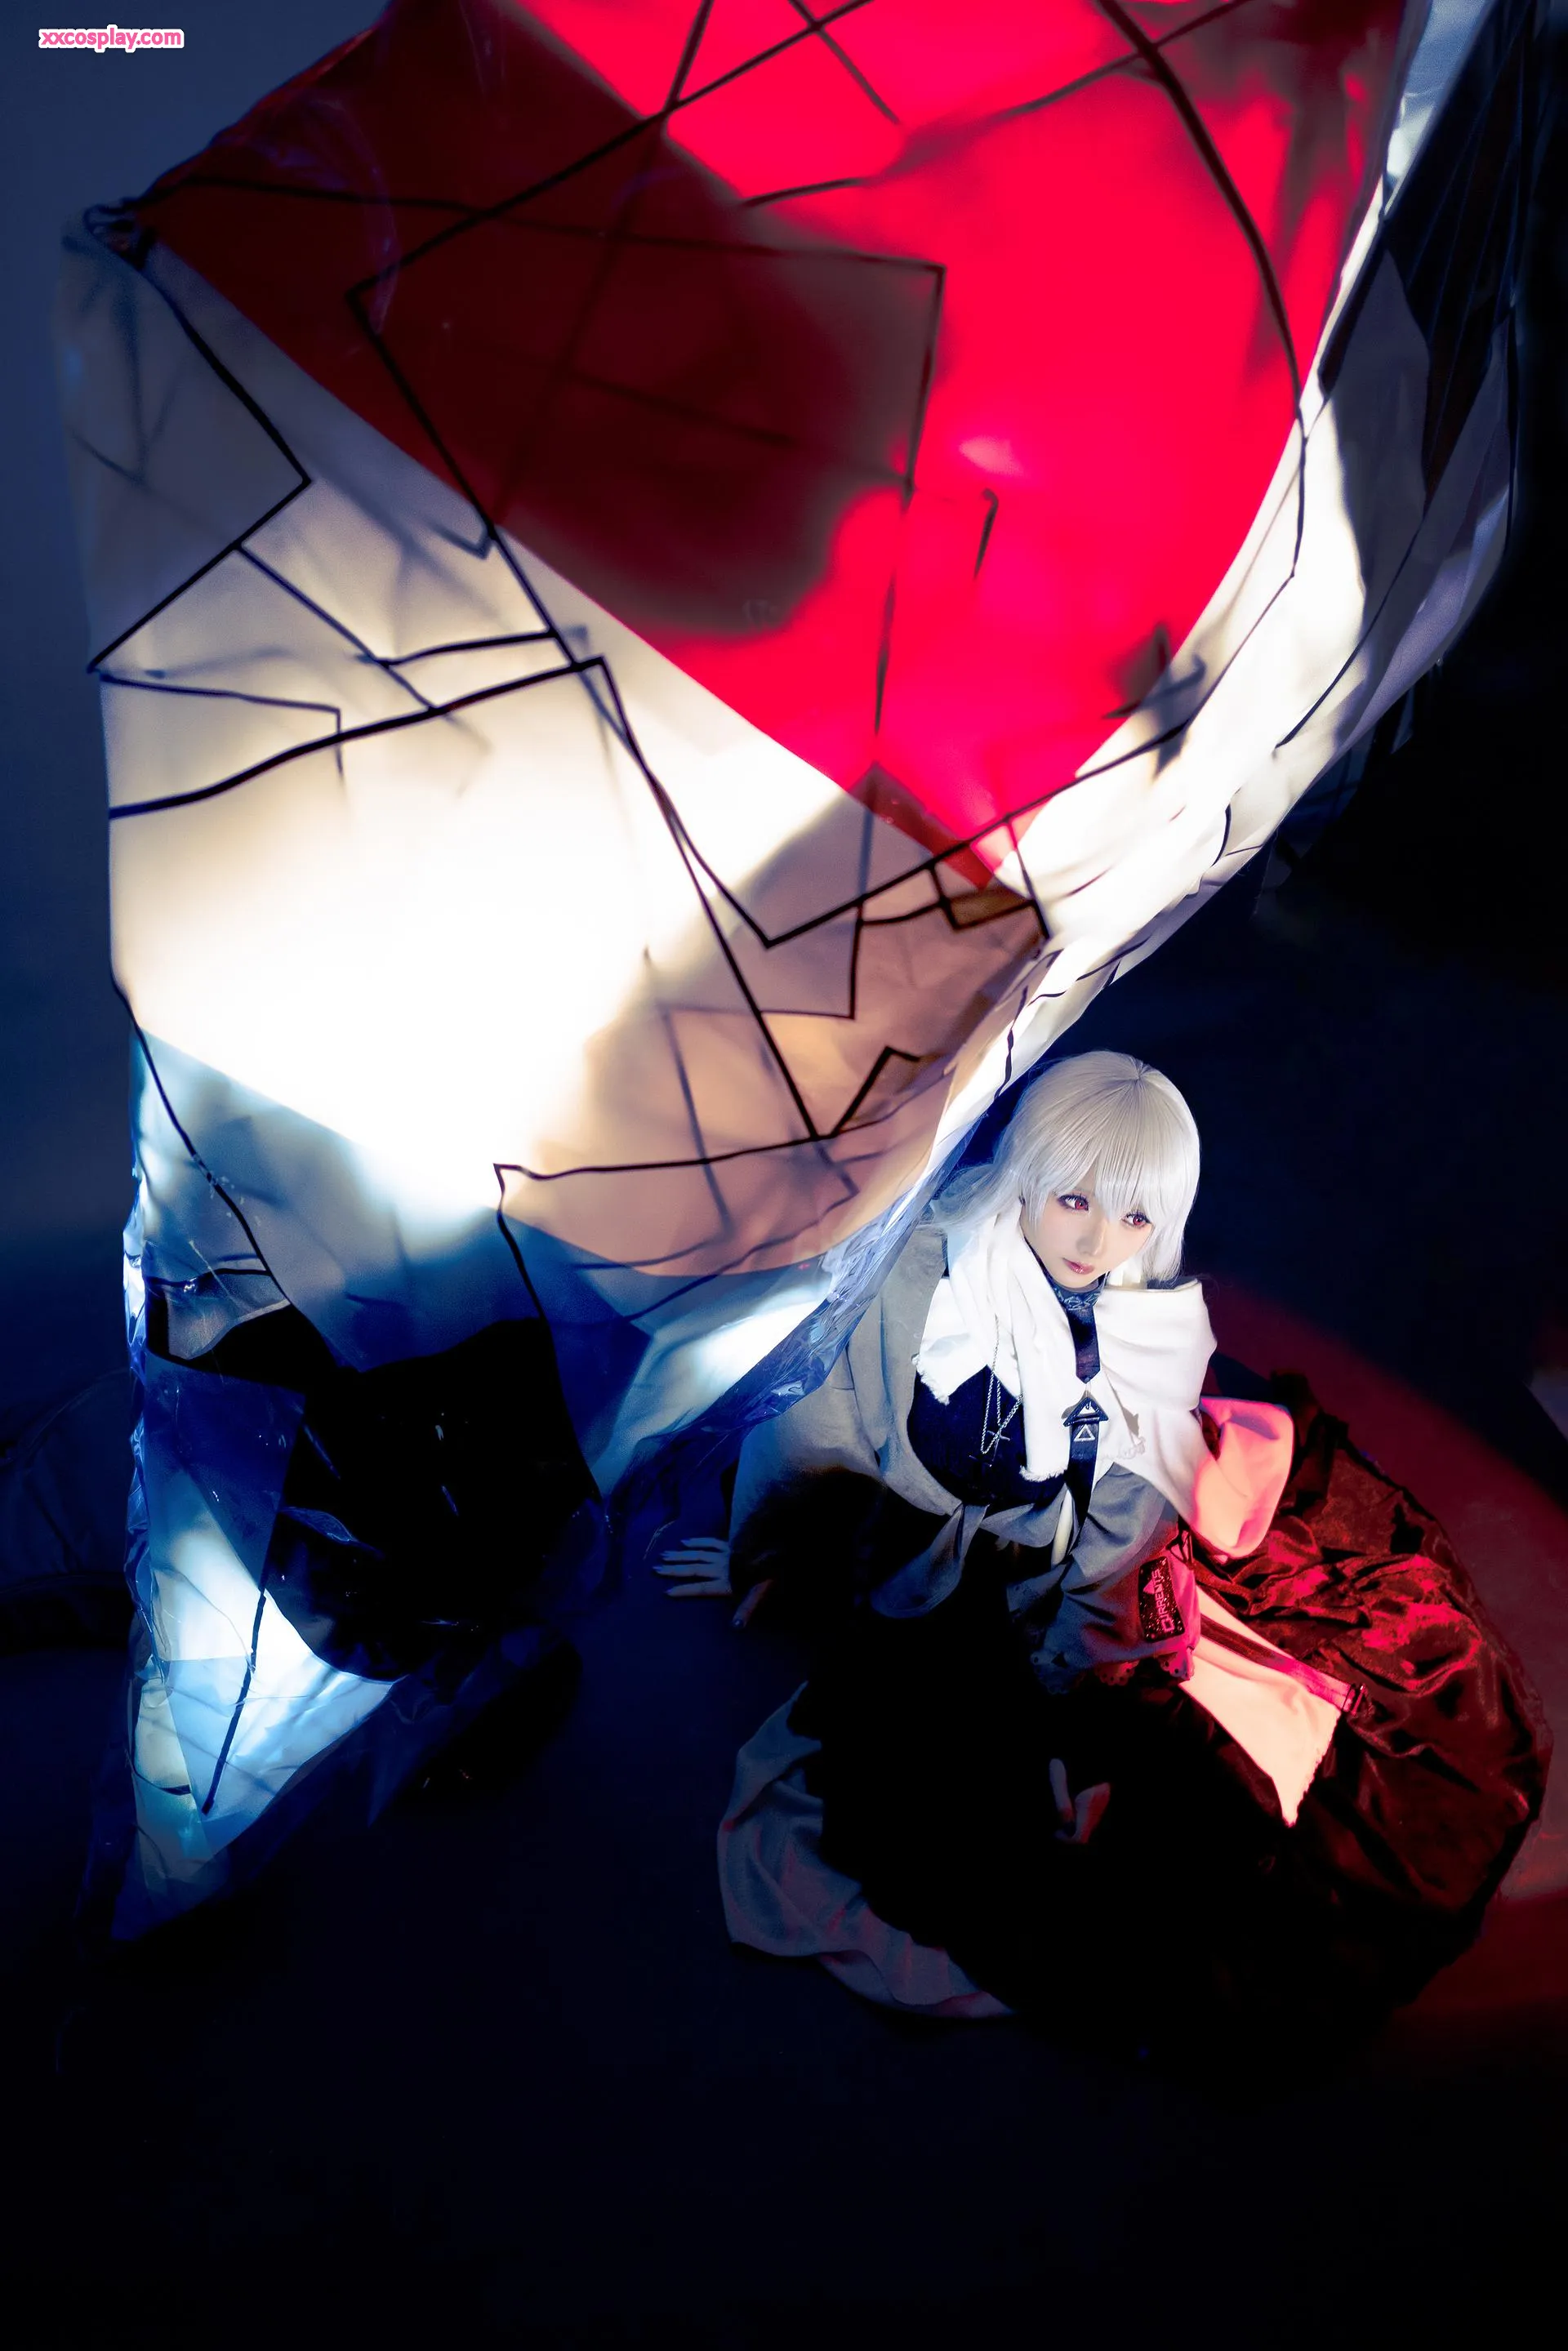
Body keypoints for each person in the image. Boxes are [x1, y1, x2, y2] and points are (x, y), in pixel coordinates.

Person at [660, 1053, 1549, 2050]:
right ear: (1028, 1170)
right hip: (904, 1567)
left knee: (1149, 1824)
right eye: (1075, 1199)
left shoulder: (1146, 1327)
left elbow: (1120, 1527)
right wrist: (769, 1554)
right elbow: (816, 1435)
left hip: (1035, 1584)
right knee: (912, 1825)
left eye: (1134, 1217)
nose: (1095, 1242)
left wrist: (1069, 1688)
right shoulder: (913, 1276)